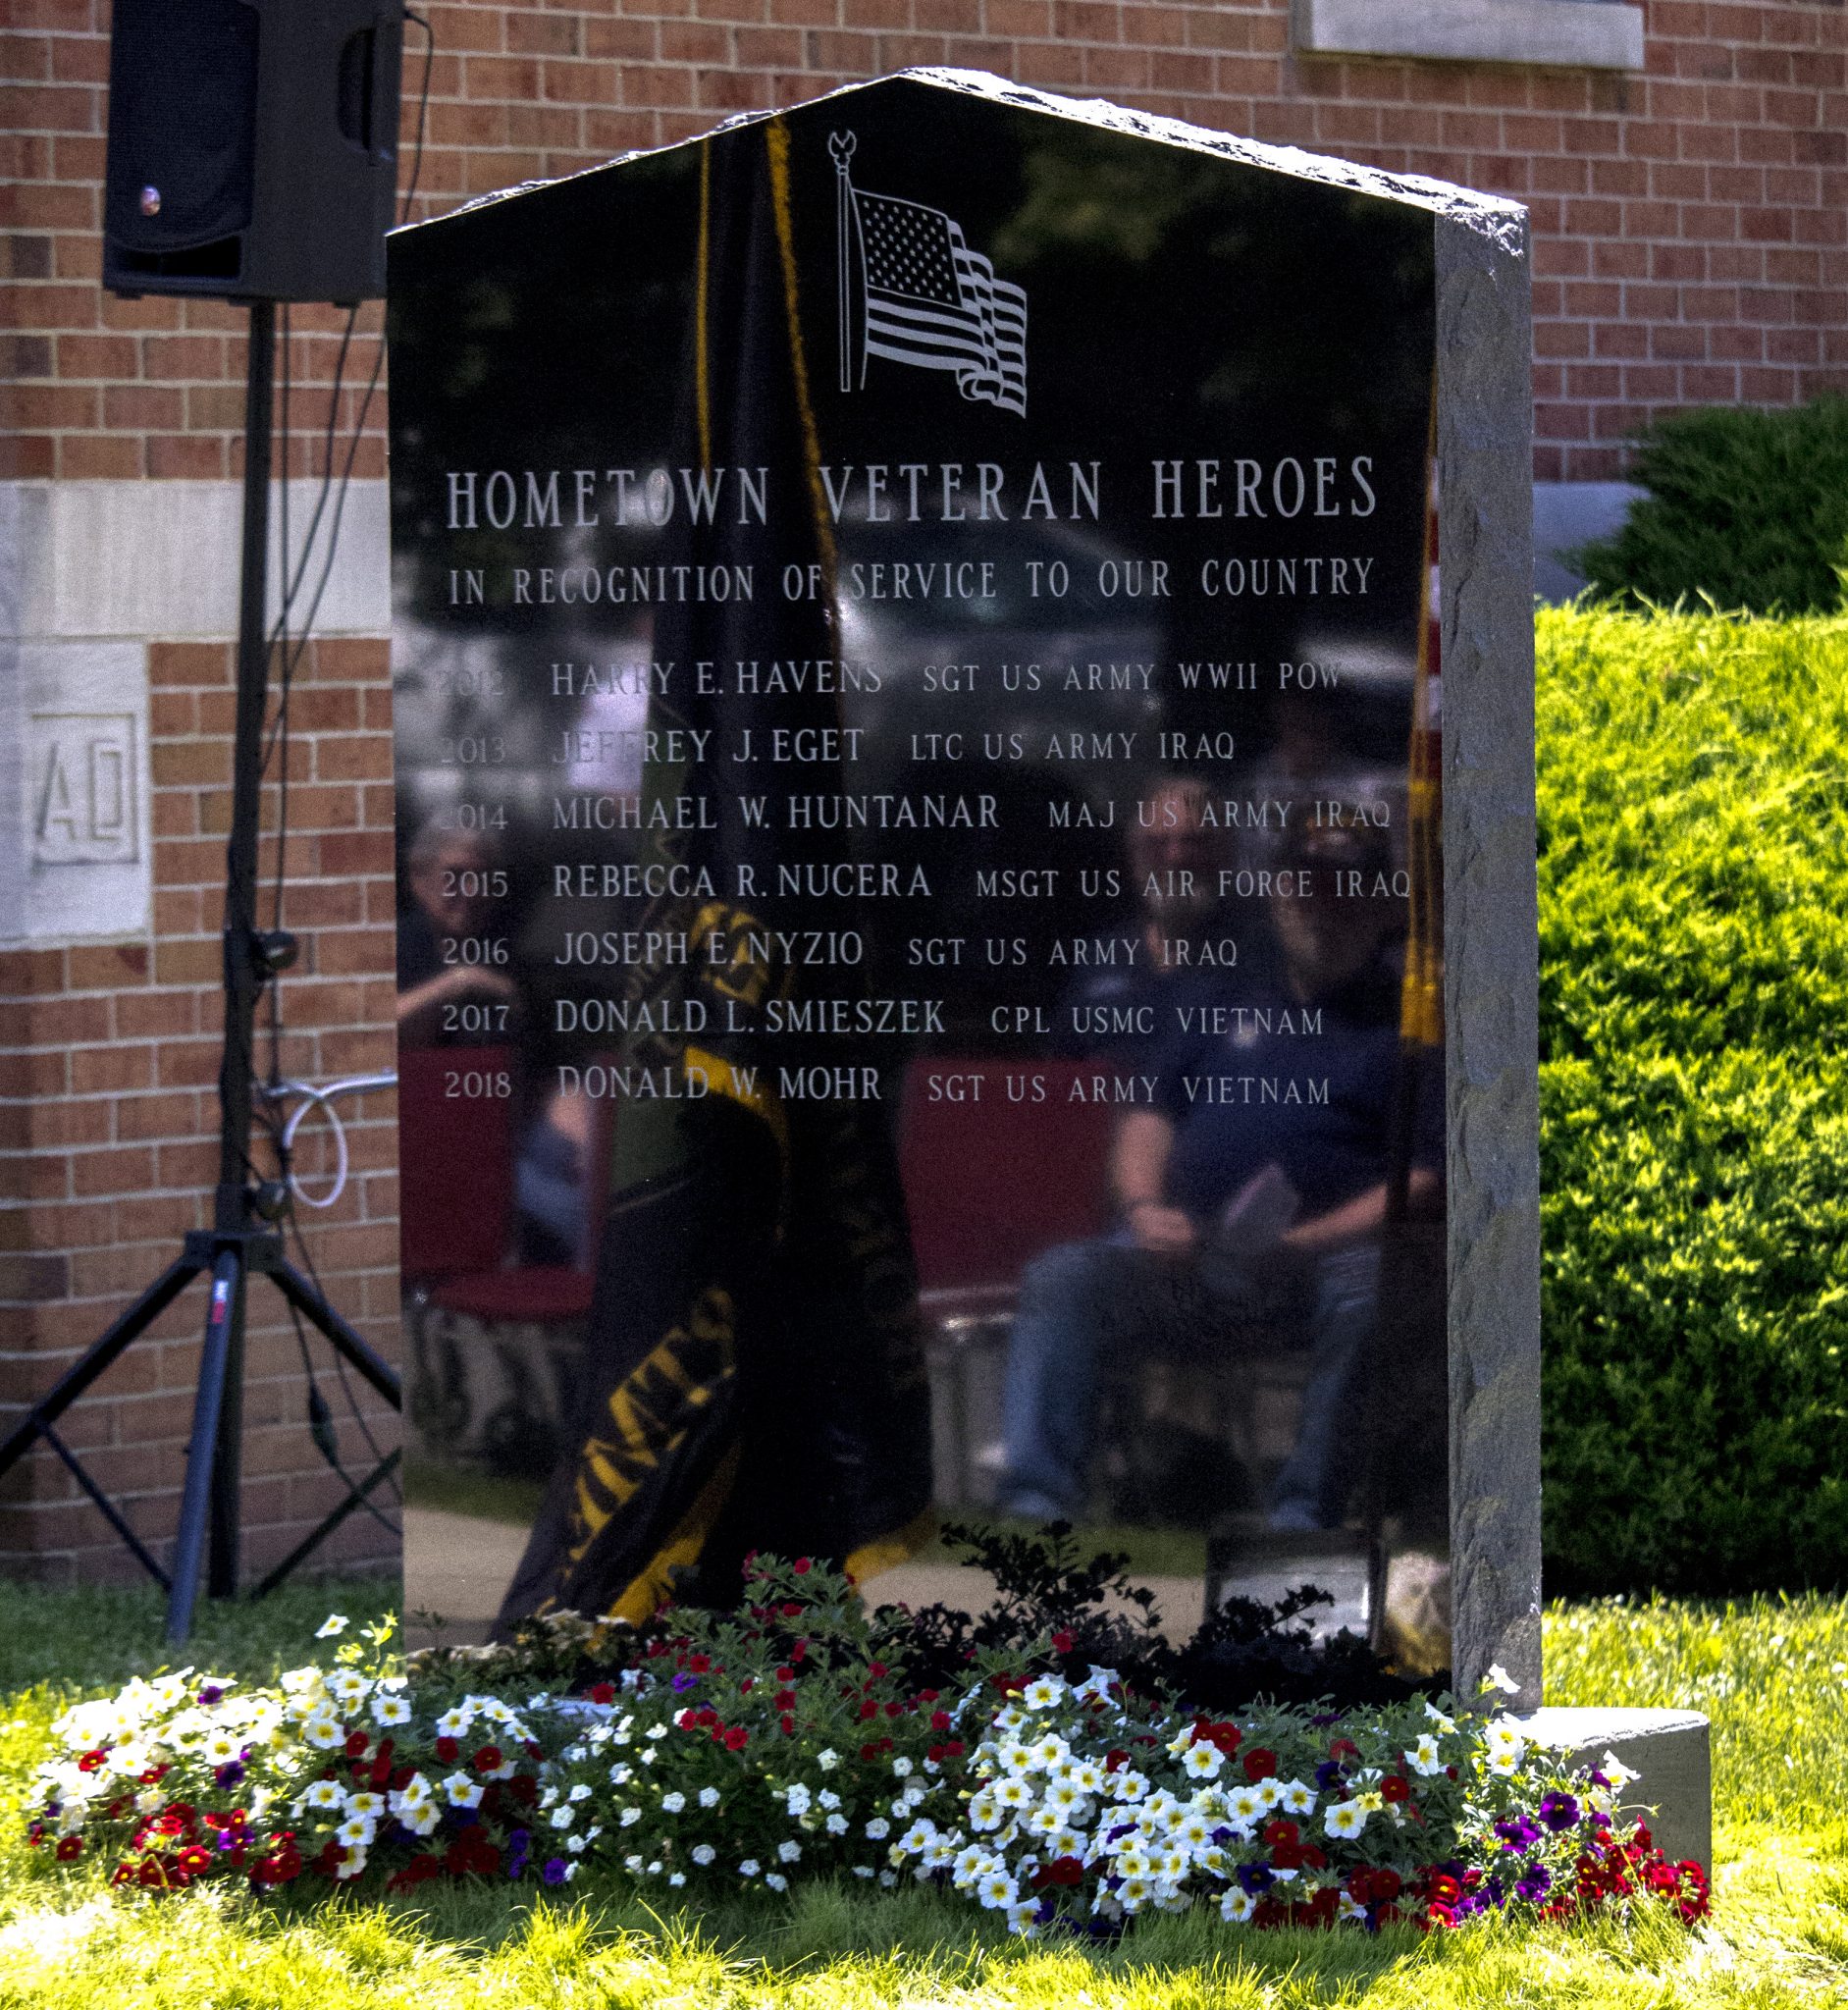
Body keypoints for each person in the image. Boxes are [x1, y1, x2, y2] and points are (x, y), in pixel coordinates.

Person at [998, 820, 1441, 1528]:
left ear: (1380, 904)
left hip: (1317, 1269)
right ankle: (1033, 1506)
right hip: (1187, 1258)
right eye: (1303, 886)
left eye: (1344, 888)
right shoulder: (1216, 996)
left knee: (1369, 1290)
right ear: (1276, 895)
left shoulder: (1411, 1026)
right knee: (1063, 1275)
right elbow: (1148, 1117)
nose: (1320, 904)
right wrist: (1142, 1207)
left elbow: (1423, 1176)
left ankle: (1302, 1515)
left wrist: (1303, 1241)